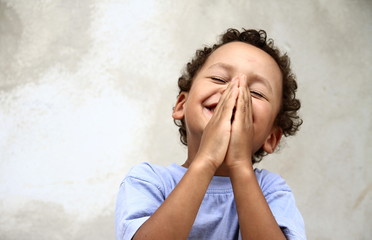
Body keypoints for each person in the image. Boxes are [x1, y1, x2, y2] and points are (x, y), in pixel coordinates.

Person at [115, 28, 306, 240]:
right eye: (218, 78)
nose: (235, 91)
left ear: (272, 137)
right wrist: (206, 160)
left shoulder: (271, 191)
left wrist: (240, 165)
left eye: (256, 93)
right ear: (182, 105)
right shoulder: (149, 181)